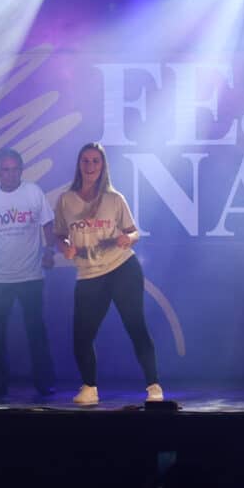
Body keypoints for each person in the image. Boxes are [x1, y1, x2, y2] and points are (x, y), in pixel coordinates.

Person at [54, 142, 162, 405]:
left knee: (135, 326)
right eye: (86, 161)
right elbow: (59, 235)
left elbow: (134, 232)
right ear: (79, 165)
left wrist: (128, 239)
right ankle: (89, 388)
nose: (90, 166)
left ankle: (153, 386)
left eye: (95, 161)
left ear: (103, 166)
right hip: (89, 275)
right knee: (81, 336)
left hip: (122, 268)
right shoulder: (66, 200)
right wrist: (65, 247)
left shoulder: (115, 199)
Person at [0, 148, 56, 398]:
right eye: (5, 170)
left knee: (36, 331)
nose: (11, 174)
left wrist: (50, 251)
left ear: (21, 169)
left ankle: (44, 382)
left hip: (31, 276)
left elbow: (48, 225)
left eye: (15, 169)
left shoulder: (33, 192)